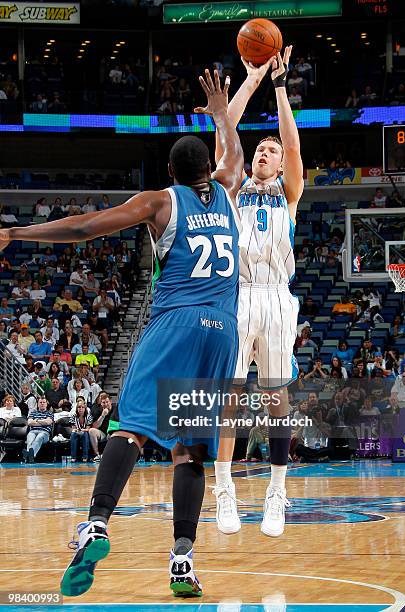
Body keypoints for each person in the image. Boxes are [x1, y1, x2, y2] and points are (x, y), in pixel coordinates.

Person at [0, 68, 243, 598]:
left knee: (129, 428)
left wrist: (16, 231)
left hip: (176, 322)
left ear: (171, 172)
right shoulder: (226, 192)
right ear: (207, 169)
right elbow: (236, 158)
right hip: (224, 332)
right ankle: (182, 560)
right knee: (189, 452)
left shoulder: (160, 202)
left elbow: (86, 227)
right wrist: (223, 115)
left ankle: (96, 523)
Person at [212, 47, 303, 537]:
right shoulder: (232, 189)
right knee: (227, 396)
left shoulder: (288, 195)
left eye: (270, 151)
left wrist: (281, 86)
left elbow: (291, 148)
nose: (266, 153)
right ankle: (224, 487)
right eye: (260, 150)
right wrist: (251, 79)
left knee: (275, 398)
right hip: (237, 293)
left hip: (275, 299)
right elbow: (227, 130)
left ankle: (277, 490)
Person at [23, 397, 54, 463]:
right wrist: (43, 422)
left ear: (46, 404)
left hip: (45, 433)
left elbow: (48, 422)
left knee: (39, 437)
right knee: (30, 438)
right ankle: (30, 457)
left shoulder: (50, 413)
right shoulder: (33, 413)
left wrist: (36, 420)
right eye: (40, 402)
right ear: (37, 404)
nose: (42, 404)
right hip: (32, 431)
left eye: (44, 402)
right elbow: (30, 423)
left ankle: (29, 455)